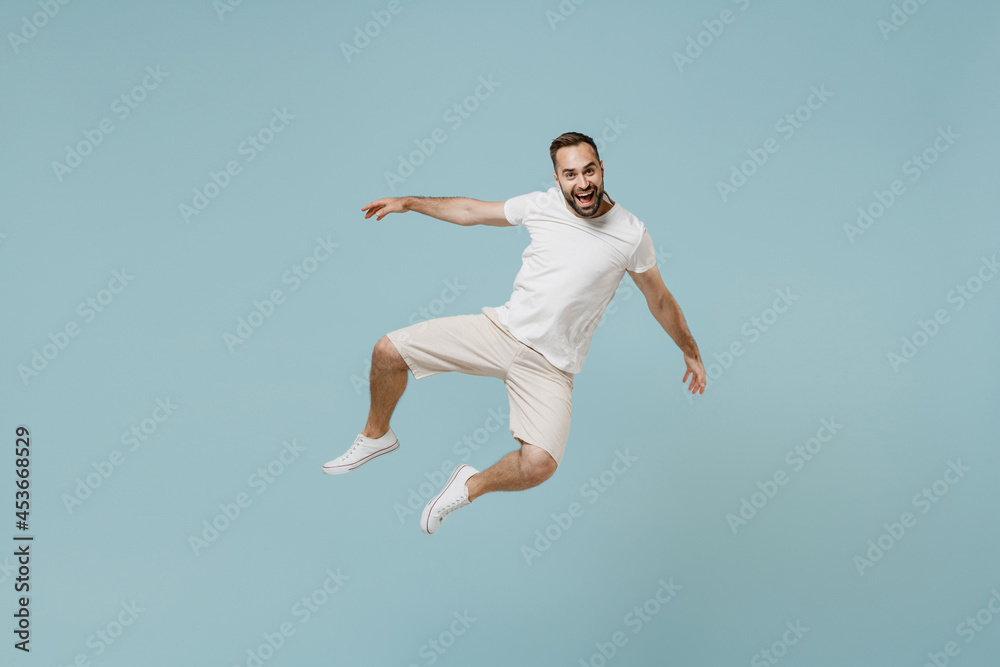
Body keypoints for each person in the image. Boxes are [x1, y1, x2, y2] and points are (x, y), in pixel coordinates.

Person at [323, 131, 706, 535]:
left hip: (551, 366)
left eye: (589, 171)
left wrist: (689, 349)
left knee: (539, 464)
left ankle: (468, 485)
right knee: (387, 352)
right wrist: (409, 203)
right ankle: (376, 435)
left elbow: (659, 299)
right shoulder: (541, 205)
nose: (582, 183)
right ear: (557, 178)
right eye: (570, 174)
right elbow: (471, 210)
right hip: (500, 332)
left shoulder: (630, 233)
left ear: (602, 170)